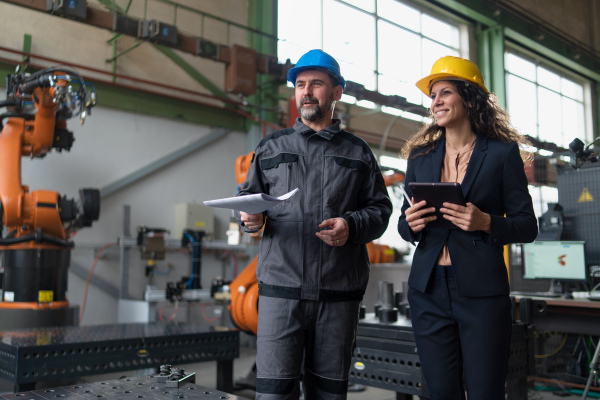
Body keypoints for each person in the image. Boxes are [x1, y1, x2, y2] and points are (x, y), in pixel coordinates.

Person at [235, 49, 392, 400]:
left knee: (329, 394)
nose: (306, 92)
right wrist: (249, 219)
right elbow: (248, 202)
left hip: (337, 293)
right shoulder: (271, 147)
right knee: (274, 392)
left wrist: (351, 226)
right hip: (280, 291)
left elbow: (380, 210)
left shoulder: (358, 152)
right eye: (300, 84)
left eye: (316, 84)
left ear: (336, 92)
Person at [397, 56, 538, 399]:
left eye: (445, 92)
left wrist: (486, 222)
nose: (436, 101)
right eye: (433, 96)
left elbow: (526, 226)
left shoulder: (502, 155)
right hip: (428, 290)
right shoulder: (420, 157)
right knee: (441, 393)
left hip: (481, 294)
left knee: (484, 392)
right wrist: (409, 224)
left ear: (470, 98)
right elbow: (405, 224)